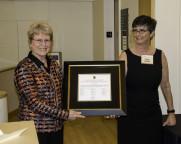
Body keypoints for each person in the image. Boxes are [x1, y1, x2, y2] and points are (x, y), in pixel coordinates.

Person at [14, 22, 85, 144]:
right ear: (30, 43)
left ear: (51, 43)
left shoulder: (54, 64)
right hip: (36, 129)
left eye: (47, 40)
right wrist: (65, 114)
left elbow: (64, 90)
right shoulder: (24, 68)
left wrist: (96, 106)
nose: (43, 44)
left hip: (56, 126)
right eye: (39, 40)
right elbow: (35, 103)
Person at [118, 15, 176, 144]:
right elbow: (117, 86)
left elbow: (166, 85)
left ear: (152, 33)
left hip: (152, 115)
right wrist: (112, 108)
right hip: (129, 117)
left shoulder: (160, 56)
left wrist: (171, 112)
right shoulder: (125, 56)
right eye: (135, 30)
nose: (137, 34)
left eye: (142, 30)